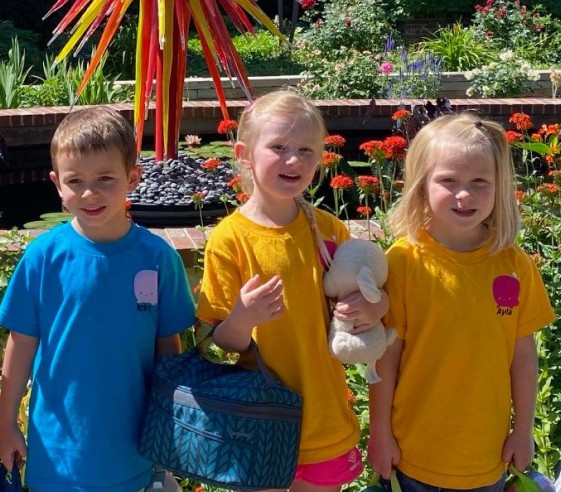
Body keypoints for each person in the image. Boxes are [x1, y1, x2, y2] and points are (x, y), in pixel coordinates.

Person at [196, 89, 389, 492]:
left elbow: (367, 300)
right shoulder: (230, 239)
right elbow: (222, 343)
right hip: (261, 419)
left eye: (306, 150)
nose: (293, 160)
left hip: (323, 415)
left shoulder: (328, 229)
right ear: (245, 154)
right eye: (279, 147)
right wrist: (244, 317)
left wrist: (375, 307)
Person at [0, 106, 195, 491]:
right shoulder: (43, 257)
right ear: (57, 183)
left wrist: (174, 428)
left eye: (106, 178)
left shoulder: (157, 258)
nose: (89, 193)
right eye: (75, 180)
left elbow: (169, 349)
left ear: (132, 178)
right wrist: (5, 423)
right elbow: (21, 344)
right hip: (56, 453)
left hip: (134, 448)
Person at [368, 113, 556, 491]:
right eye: (448, 181)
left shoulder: (514, 264)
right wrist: (379, 433)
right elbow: (386, 356)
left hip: (486, 457)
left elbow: (523, 355)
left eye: (479, 182)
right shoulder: (403, 262)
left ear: (499, 186)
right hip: (413, 454)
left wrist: (523, 431)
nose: (464, 194)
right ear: (422, 186)